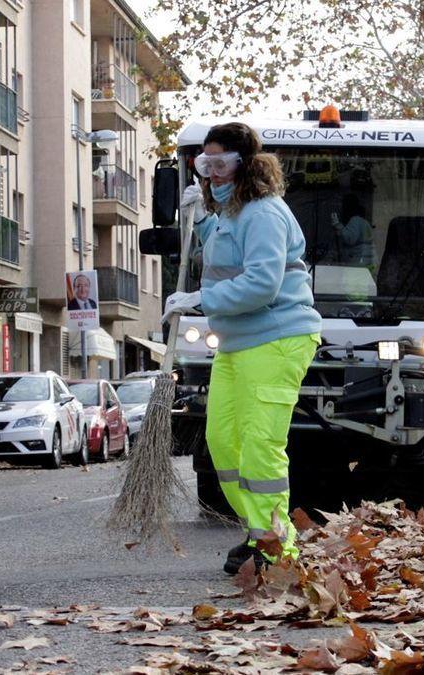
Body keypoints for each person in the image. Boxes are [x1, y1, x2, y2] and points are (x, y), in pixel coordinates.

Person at [163, 122, 322, 574]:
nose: (211, 174)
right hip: (238, 342)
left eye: (220, 164)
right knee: (223, 442)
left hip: (277, 338)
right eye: (204, 165)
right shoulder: (233, 214)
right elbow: (226, 254)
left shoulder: (265, 213)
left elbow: (261, 284)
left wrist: (200, 300)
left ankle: (278, 548)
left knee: (259, 444)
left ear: (244, 165)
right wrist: (204, 221)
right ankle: (259, 531)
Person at [333, 194, 374, 268]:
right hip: (365, 261)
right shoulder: (363, 221)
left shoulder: (355, 220)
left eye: (343, 206)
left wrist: (337, 225)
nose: (341, 209)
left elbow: (349, 238)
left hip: (358, 262)